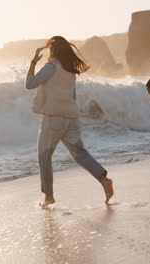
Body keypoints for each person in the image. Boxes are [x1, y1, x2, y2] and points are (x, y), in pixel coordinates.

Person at [25, 36, 113, 207]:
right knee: (80, 154)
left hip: (53, 118)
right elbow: (71, 97)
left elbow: (30, 84)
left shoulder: (52, 67)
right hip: (70, 117)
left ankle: (48, 197)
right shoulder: (70, 70)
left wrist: (33, 62)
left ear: (53, 50)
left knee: (44, 157)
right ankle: (104, 179)